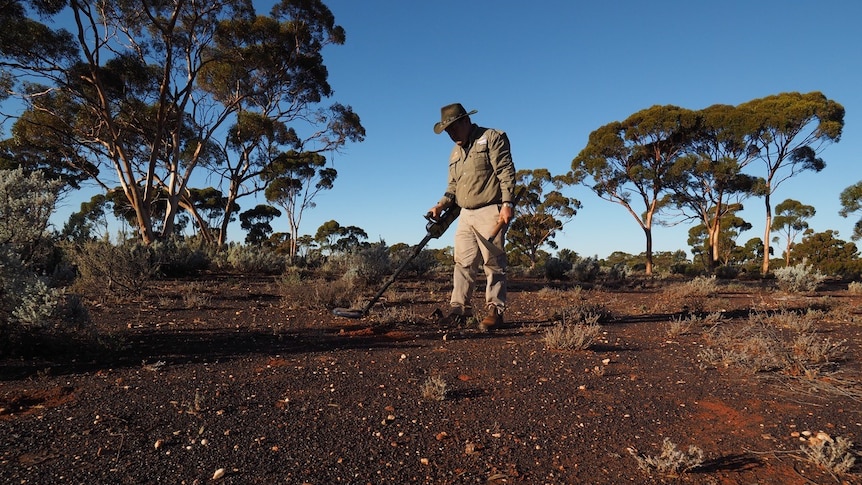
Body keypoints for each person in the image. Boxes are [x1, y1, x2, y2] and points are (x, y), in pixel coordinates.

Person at [428, 103, 516, 331]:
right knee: (463, 263)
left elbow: (505, 171)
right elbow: (453, 186)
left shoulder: (492, 137)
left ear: (466, 121)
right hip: (465, 214)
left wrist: (507, 204)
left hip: (490, 209)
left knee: (493, 263)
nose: (451, 135)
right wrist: (440, 205)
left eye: (454, 128)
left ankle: (495, 311)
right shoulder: (455, 152)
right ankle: (459, 310)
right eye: (447, 131)